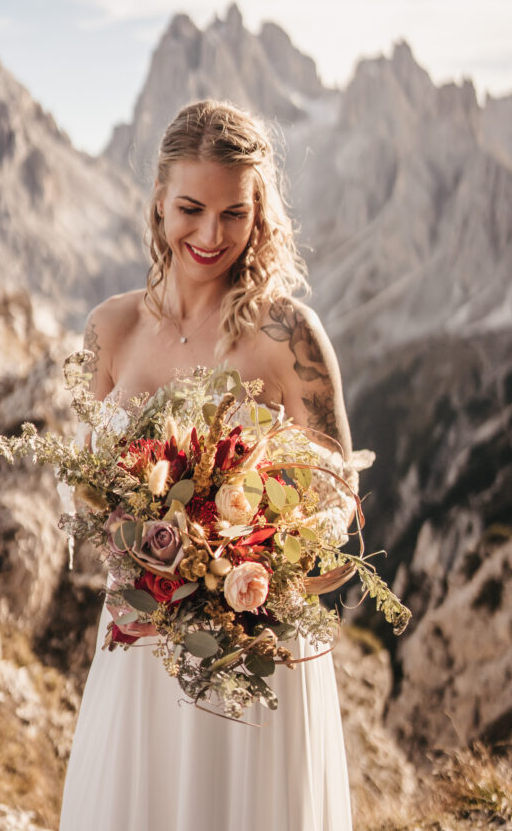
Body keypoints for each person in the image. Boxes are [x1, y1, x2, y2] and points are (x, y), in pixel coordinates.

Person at [58, 100, 354, 831]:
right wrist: (150, 544)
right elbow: (85, 494)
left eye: (235, 213)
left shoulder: (289, 334)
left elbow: (342, 500)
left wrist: (248, 553)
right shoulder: (110, 328)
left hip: (257, 644)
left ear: (261, 214)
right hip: (138, 640)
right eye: (191, 208)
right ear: (159, 201)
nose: (211, 235)